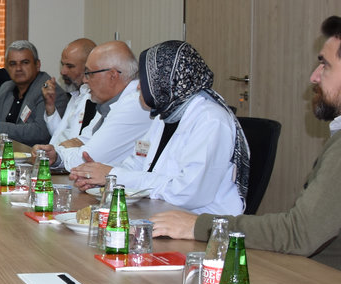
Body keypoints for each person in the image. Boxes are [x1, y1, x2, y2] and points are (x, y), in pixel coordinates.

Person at [154, 15, 341, 284]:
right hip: (333, 283)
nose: (314, 76)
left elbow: (299, 234)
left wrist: (198, 226)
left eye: (325, 65)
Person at [69, 41, 248, 216]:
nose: (138, 86)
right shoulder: (164, 116)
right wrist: (104, 178)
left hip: (200, 223)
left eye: (145, 80)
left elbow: (188, 193)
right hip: (159, 212)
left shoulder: (211, 120)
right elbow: (137, 163)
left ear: (166, 80)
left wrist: (114, 175)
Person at [33, 41, 152, 172]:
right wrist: (56, 154)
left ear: (112, 75)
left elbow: (86, 157)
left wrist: (59, 155)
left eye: (90, 73)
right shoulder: (109, 103)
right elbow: (84, 140)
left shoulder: (134, 104)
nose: (85, 80)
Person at [0, 41, 65, 144]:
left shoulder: (49, 91)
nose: (18, 68)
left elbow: (41, 132)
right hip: (7, 150)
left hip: (35, 153)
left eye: (25, 62)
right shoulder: (7, 87)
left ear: (37, 65)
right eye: (13, 64)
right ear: (7, 67)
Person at [42, 38, 96, 146]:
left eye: (70, 66)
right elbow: (60, 136)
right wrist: (50, 107)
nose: (63, 71)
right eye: (62, 64)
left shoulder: (94, 99)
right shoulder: (76, 94)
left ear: (88, 68)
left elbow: (79, 145)